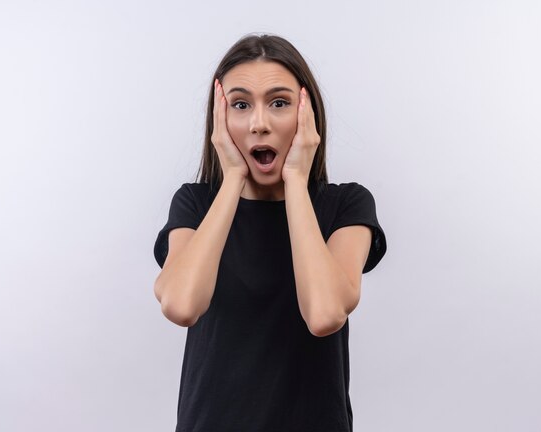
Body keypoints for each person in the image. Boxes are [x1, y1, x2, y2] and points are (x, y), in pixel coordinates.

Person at [153, 33, 387, 432]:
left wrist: (296, 178)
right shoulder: (195, 205)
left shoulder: (346, 206)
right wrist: (231, 181)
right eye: (240, 105)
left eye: (278, 103)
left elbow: (324, 314)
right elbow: (181, 305)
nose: (259, 123)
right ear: (220, 118)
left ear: (306, 112)